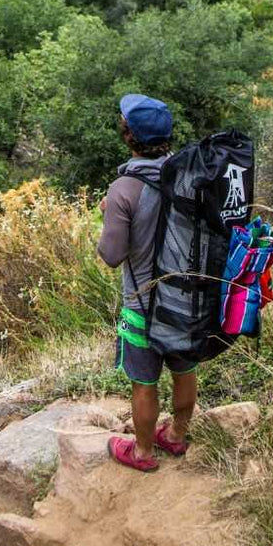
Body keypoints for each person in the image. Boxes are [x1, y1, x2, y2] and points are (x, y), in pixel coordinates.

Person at [97, 94, 196, 472]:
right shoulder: (188, 175)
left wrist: (109, 217)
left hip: (141, 305)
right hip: (186, 298)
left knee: (144, 382)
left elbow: (111, 255)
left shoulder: (123, 189)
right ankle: (176, 435)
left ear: (128, 136)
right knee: (184, 370)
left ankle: (142, 452)